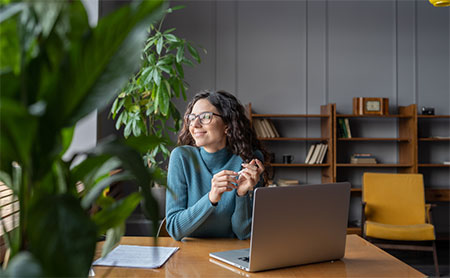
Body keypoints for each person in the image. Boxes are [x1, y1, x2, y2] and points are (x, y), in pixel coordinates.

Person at [165, 90, 268, 241]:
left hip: (230, 254)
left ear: (227, 125)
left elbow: (244, 233)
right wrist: (211, 198)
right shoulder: (181, 157)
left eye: (205, 117)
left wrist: (241, 194)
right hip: (188, 253)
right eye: (191, 118)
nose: (195, 124)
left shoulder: (250, 161)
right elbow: (174, 228)